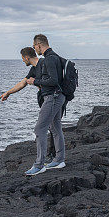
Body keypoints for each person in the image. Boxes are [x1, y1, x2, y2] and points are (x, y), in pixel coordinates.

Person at [24, 34, 66, 175]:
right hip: (58, 97)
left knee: (39, 129)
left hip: (52, 97)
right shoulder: (55, 57)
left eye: (34, 45)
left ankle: (39, 165)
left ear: (39, 45)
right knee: (55, 128)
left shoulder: (49, 59)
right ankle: (59, 160)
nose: (34, 48)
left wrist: (34, 82)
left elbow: (53, 81)